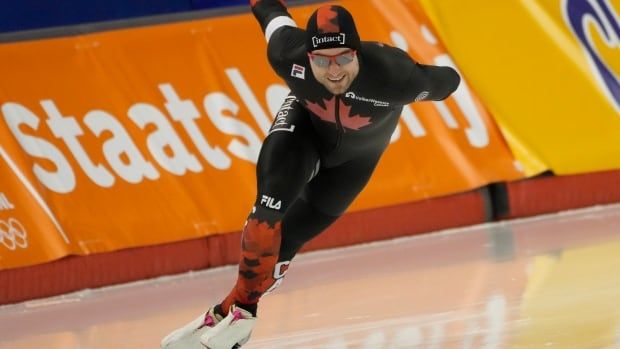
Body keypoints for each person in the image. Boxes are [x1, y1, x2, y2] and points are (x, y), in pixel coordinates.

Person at [161, 1, 460, 348]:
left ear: (358, 52)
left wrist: (439, 77)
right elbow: (271, 13)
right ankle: (240, 316)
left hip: (353, 164)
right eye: (321, 61)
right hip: (302, 134)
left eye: (343, 58)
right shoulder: (287, 52)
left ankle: (230, 309)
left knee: (286, 242)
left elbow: (448, 81)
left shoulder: (395, 75)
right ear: (307, 56)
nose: (334, 72)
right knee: (267, 213)